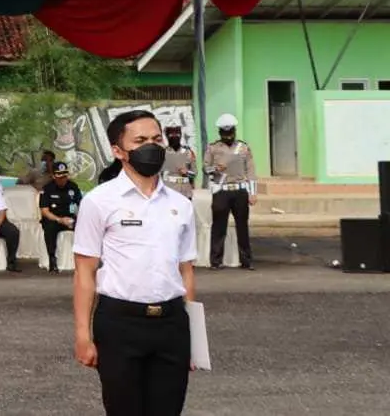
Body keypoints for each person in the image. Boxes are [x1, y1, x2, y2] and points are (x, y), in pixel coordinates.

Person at [73, 109, 197, 416]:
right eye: (140, 140)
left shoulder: (181, 205)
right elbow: (84, 271)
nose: (150, 146)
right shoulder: (99, 201)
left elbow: (186, 271)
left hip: (171, 325)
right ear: (118, 151)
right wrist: (82, 335)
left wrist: (195, 338)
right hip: (119, 323)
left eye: (156, 139)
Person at [205, 113, 257, 270]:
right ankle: (216, 261)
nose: (228, 136)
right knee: (219, 227)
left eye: (230, 133)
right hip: (221, 190)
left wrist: (252, 193)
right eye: (225, 133)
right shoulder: (213, 148)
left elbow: (251, 171)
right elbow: (205, 168)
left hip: (240, 191)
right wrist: (215, 168)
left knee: (242, 226)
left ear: (234, 131)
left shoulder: (243, 148)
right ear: (220, 133)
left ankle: (246, 260)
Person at [39, 161, 82, 274]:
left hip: (70, 219)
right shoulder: (47, 189)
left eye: (64, 176)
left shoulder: (73, 187)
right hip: (54, 219)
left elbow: (81, 204)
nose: (63, 179)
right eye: (60, 176)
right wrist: (59, 219)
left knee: (85, 226)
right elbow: (44, 211)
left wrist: (77, 218)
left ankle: (84, 259)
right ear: (53, 176)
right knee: (49, 228)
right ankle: (52, 259)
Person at [162, 125, 197, 200]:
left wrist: (187, 172)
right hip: (169, 190)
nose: (175, 136)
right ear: (167, 136)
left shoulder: (188, 152)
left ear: (181, 135)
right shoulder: (162, 153)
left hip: (185, 191)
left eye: (177, 133)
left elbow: (194, 173)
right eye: (171, 134)